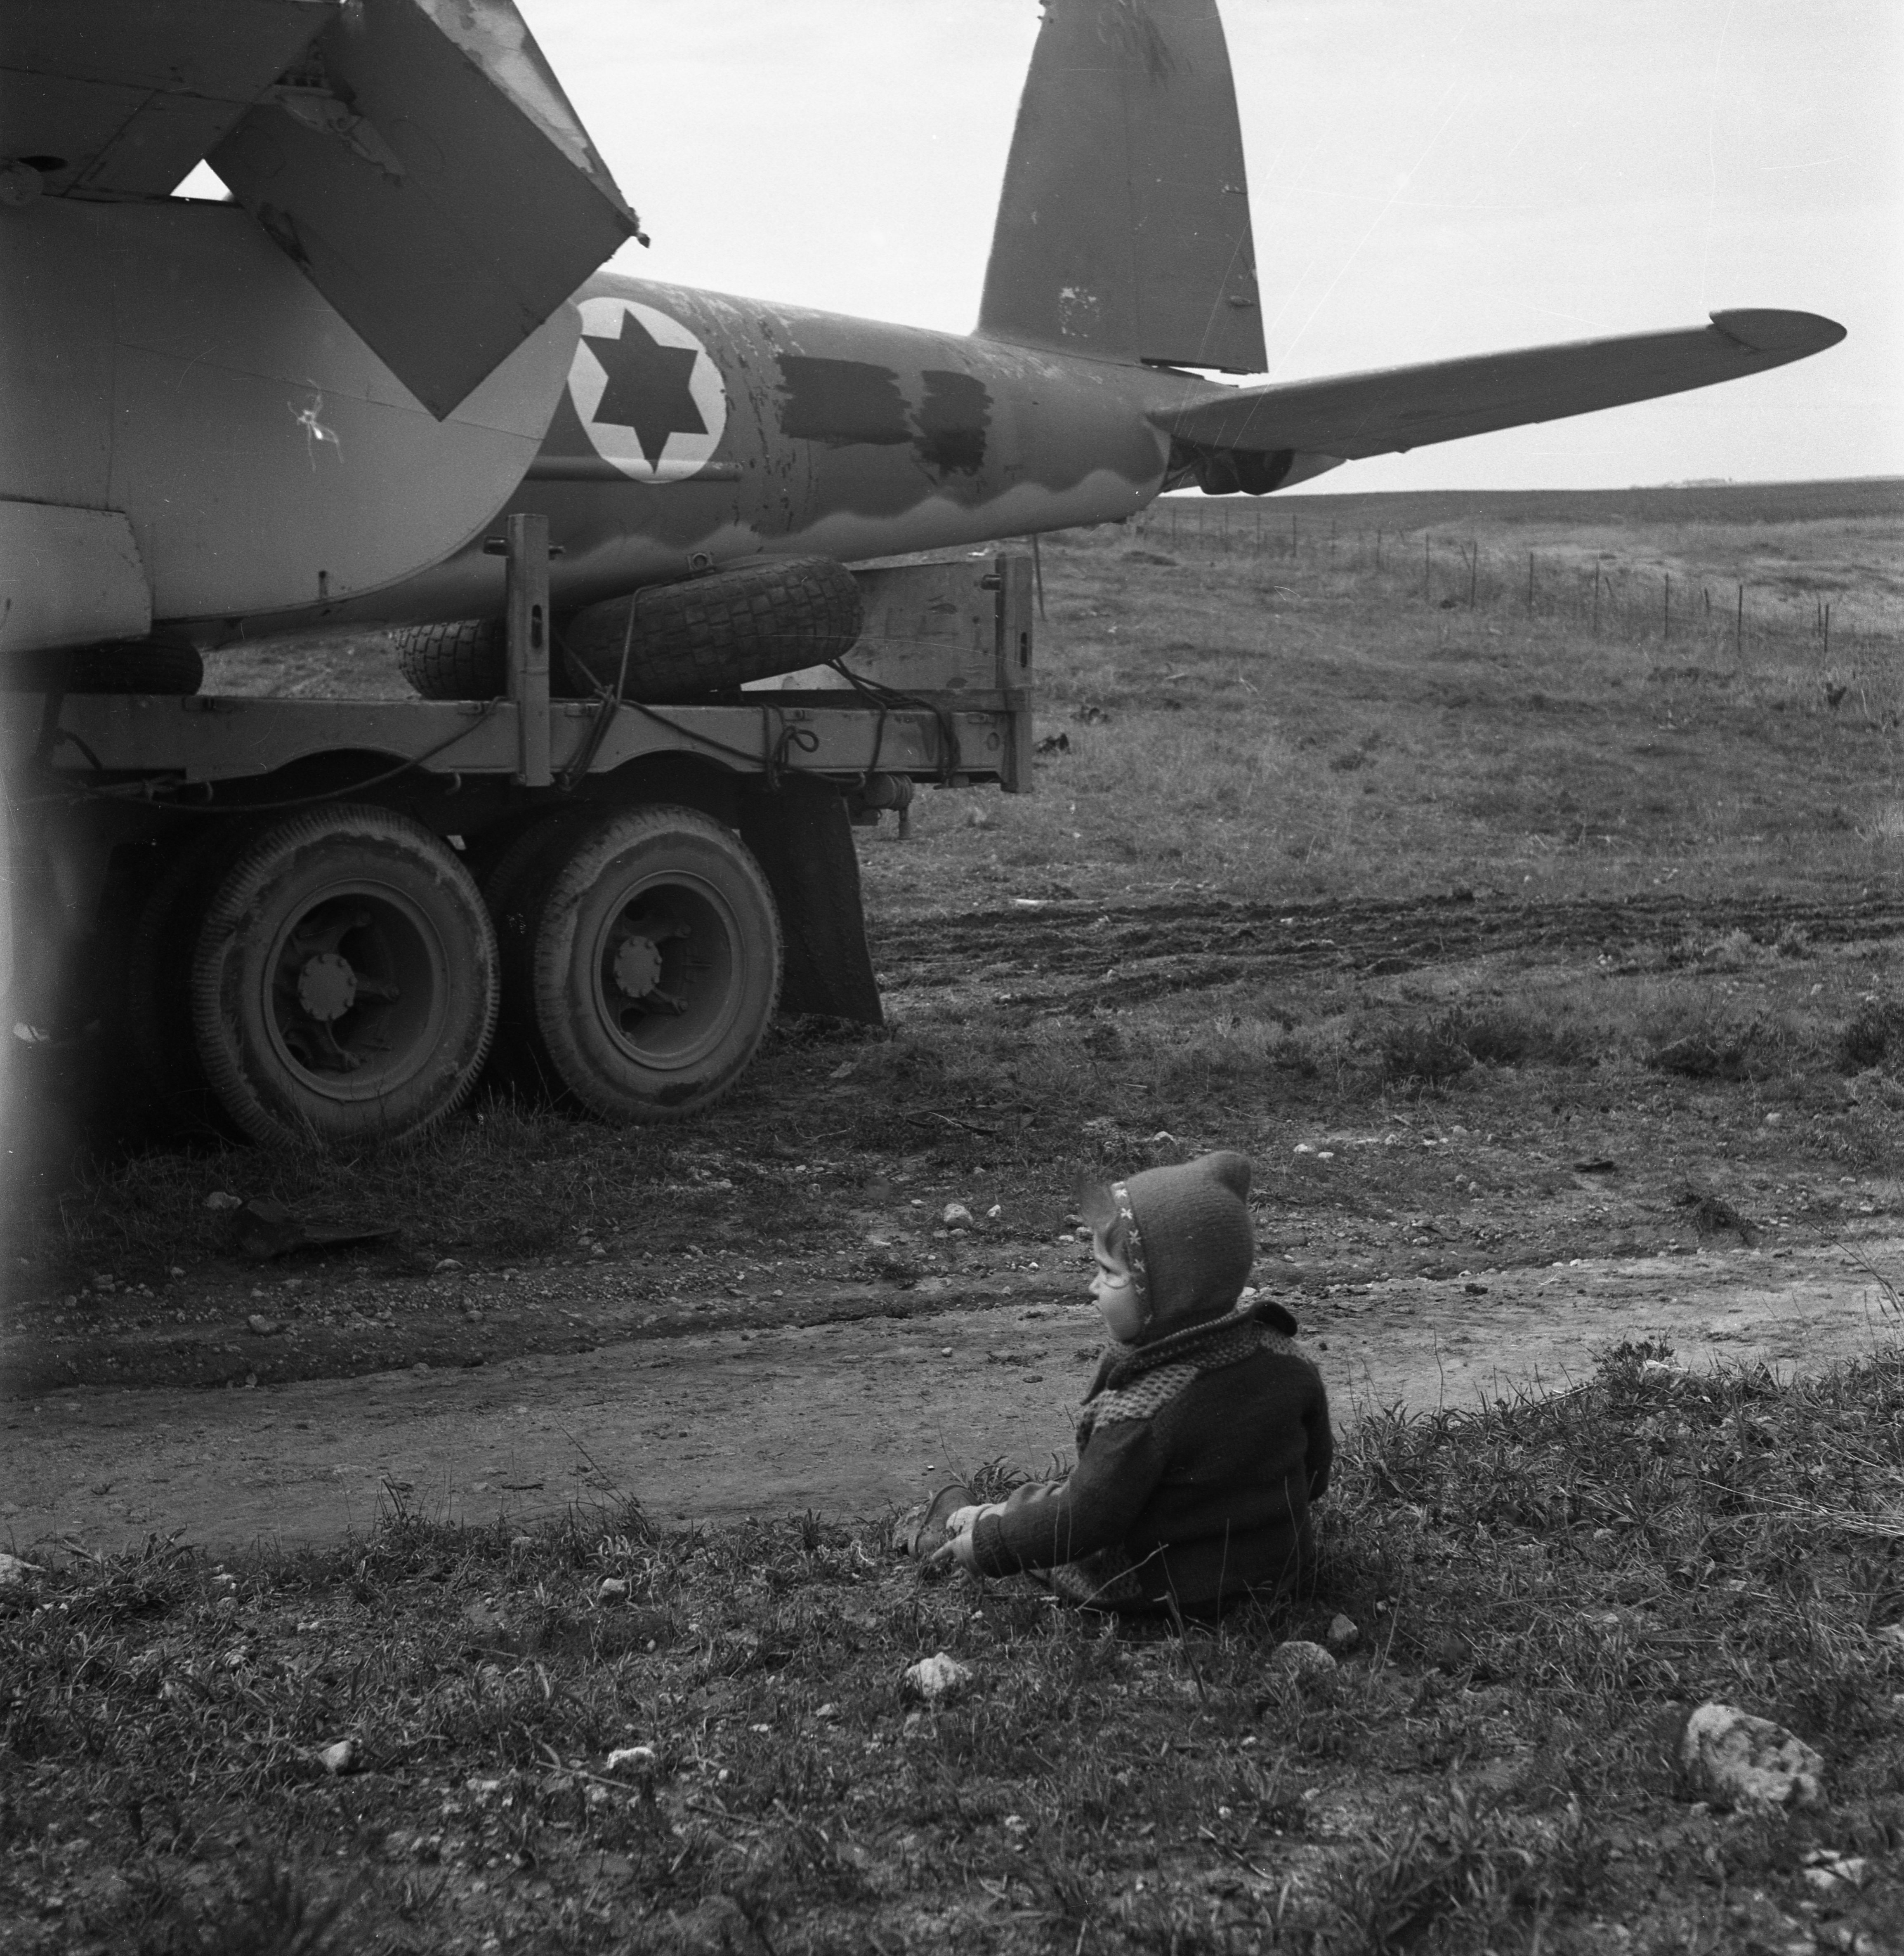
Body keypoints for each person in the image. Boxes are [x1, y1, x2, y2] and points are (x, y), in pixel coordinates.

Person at [926, 1149, 1332, 1614]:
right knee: (1082, 1488)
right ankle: (1003, 1513)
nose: (1092, 1287)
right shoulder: (1287, 1357)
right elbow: (1314, 1478)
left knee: (1058, 1519)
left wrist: (995, 1547)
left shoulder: (1147, 1405)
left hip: (1167, 1588)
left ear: (1166, 1290)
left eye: (1108, 1272)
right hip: (1280, 1571)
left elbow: (1086, 1520)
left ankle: (966, 1526)